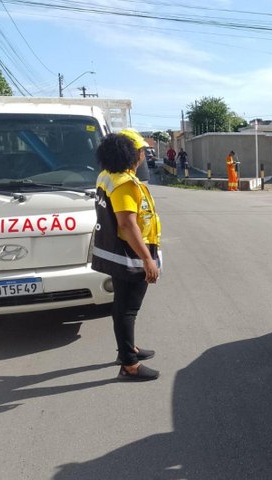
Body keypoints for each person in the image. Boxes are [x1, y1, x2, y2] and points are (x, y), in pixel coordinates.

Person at [92, 128, 162, 381]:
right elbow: (127, 224)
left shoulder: (107, 176)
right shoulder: (124, 184)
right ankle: (129, 364)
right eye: (141, 150)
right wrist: (147, 259)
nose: (143, 154)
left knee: (122, 305)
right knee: (128, 308)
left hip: (118, 249)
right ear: (132, 154)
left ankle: (128, 348)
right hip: (130, 251)